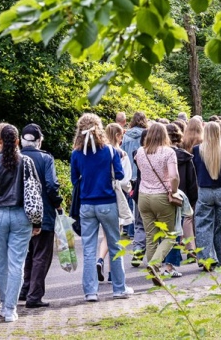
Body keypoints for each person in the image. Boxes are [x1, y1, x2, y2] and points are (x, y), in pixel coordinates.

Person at [0, 124, 42, 321]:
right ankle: (10, 309)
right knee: (17, 263)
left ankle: (4, 302)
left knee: (0, 262)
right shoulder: (26, 161)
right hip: (21, 216)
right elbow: (34, 192)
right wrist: (37, 221)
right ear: (17, 141)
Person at [70, 113, 133, 301]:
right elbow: (120, 175)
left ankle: (90, 292)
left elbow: (75, 180)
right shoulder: (110, 151)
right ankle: (119, 288)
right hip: (107, 202)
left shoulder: (76, 153)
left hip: (87, 205)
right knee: (115, 245)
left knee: (89, 249)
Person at [18, 124, 62, 308]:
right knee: (41, 255)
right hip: (43, 213)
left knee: (28, 254)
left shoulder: (16, 157)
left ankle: (25, 289)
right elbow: (51, 185)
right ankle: (34, 296)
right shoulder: (45, 158)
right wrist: (57, 202)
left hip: (19, 214)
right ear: (39, 140)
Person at [134, 123, 180, 285]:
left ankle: (155, 275)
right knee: (170, 236)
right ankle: (155, 264)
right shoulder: (169, 152)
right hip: (161, 196)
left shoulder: (140, 152)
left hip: (144, 196)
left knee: (150, 237)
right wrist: (173, 191)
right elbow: (173, 176)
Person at [193, 122, 221, 269]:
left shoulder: (197, 150)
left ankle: (207, 258)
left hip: (204, 190)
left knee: (203, 225)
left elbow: (195, 173)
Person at [95, 124, 132, 283]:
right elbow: (124, 180)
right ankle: (113, 273)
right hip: (117, 196)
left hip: (101, 194)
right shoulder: (121, 154)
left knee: (107, 235)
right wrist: (130, 188)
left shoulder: (99, 152)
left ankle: (100, 260)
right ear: (118, 135)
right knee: (117, 236)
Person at [165, 123, 197, 265]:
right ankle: (191, 250)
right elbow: (192, 180)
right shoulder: (186, 157)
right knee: (187, 219)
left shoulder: (162, 155)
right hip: (184, 193)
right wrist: (193, 197)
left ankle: (170, 254)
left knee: (169, 225)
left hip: (168, 193)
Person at [121, 112, 147, 262]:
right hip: (143, 174)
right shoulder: (146, 134)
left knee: (132, 205)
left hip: (130, 173)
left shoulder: (126, 136)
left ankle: (132, 233)